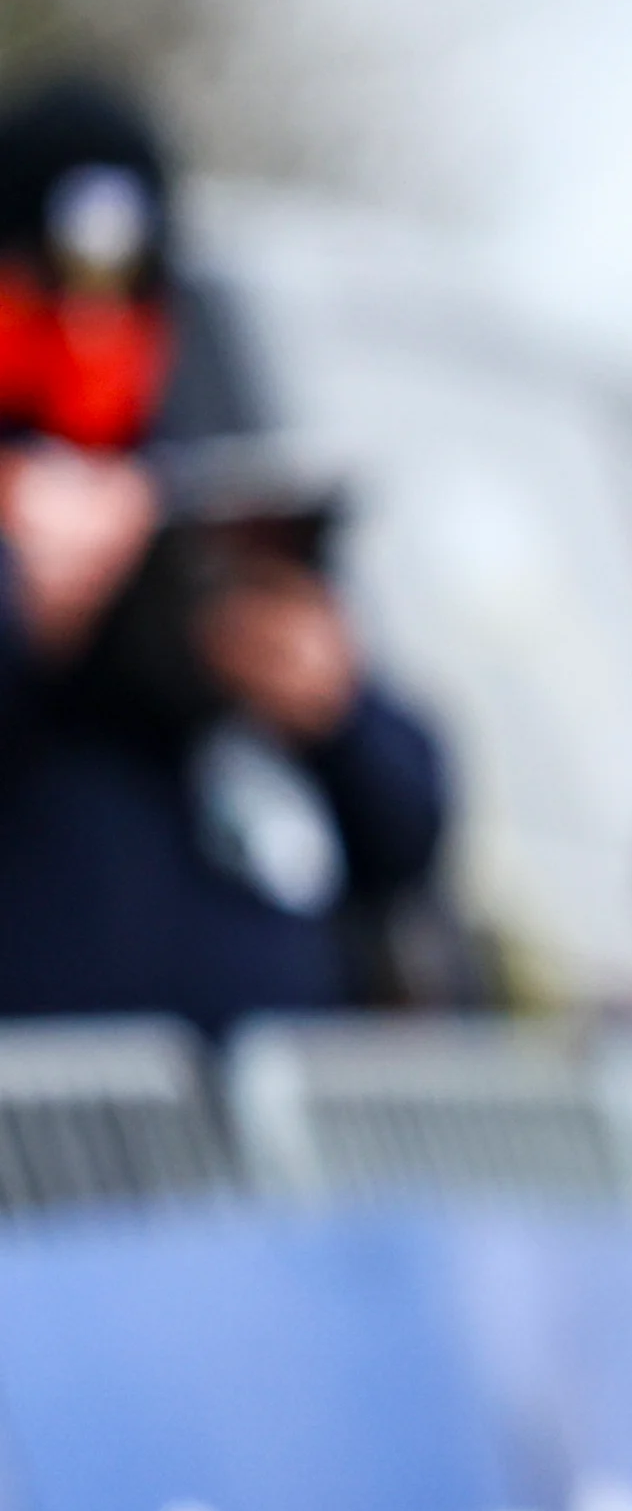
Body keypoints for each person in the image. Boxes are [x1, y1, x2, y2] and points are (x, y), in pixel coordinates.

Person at [0, 73, 448, 1029]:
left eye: (127, 298)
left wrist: (334, 708)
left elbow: (413, 828)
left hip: (253, 1128)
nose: (91, 333)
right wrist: (26, 617)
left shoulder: (225, 489)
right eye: (48, 290)